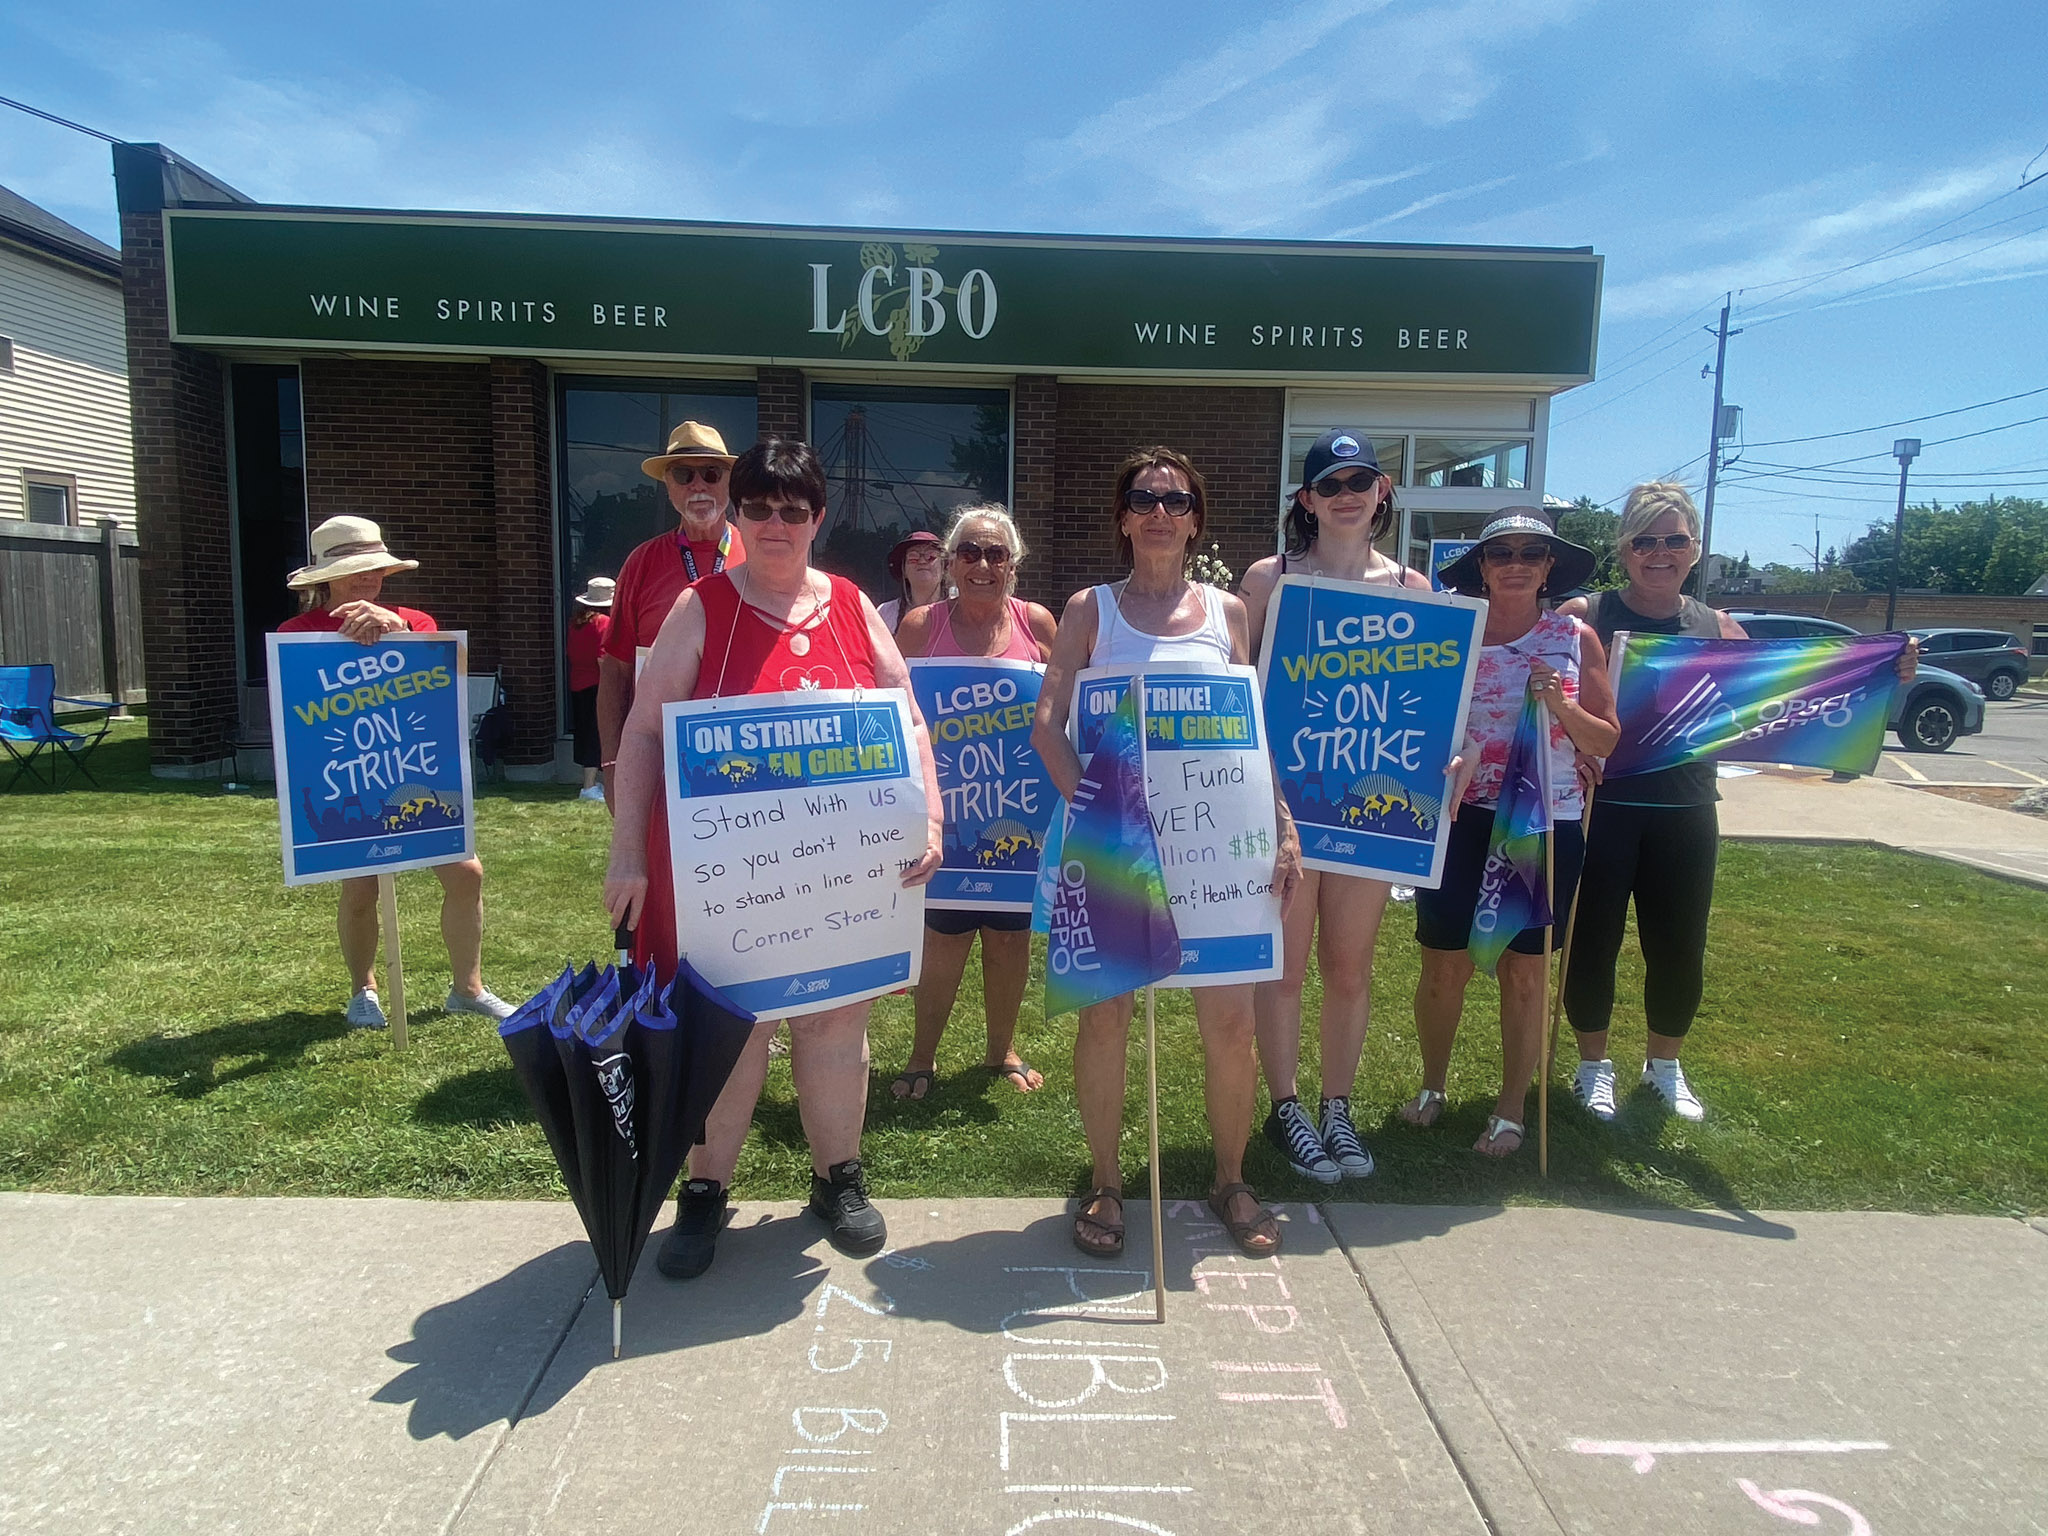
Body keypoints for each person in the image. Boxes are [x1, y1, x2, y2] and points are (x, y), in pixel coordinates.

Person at [602, 439, 944, 1276]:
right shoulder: (702, 607)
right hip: (728, 879)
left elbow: (908, 716)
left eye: (793, 511)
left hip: (838, 869)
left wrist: (931, 817)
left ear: (817, 518)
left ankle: (838, 1178)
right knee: (731, 1027)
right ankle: (705, 1189)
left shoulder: (851, 606)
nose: (774, 525)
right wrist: (627, 850)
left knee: (835, 1022)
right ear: (739, 514)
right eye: (757, 508)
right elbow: (643, 731)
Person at [1556, 482, 1916, 1123]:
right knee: (1592, 941)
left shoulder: (1721, 630)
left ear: (1695, 548)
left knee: (1679, 945)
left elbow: (1787, 695)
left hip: (1687, 810)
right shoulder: (1586, 615)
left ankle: (1664, 1067)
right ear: (1624, 548)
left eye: (1674, 540)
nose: (1660, 553)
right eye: (1645, 541)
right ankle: (1593, 1067)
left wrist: (1886, 669)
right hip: (1600, 808)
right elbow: (1542, 691)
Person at [1031, 446, 1303, 1260]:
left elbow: (1252, 737)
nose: (1159, 512)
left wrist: (1283, 824)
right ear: (1122, 518)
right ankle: (1107, 1180)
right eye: (1144, 499)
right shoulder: (1090, 610)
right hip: (1114, 847)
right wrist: (1094, 811)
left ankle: (1230, 1177)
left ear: (1195, 521)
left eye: (1176, 501)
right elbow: (1047, 727)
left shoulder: (1230, 614)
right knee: (1107, 1015)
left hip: (1217, 854)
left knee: (1230, 1020)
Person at [1239, 429, 1431, 1185]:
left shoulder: (1413, 588)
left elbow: (1430, 706)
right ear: (1307, 500)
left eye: (1360, 482)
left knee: (1350, 967)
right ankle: (1286, 1107)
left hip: (1369, 810)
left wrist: (1447, 758)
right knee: (1283, 968)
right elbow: (1239, 689)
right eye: (1331, 484)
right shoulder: (1271, 578)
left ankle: (1338, 1108)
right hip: (1286, 805)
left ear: (1382, 491)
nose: (1346, 495)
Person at [1405, 509, 1619, 1157]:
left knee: (1524, 971)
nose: (1517, 564)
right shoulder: (1453, 633)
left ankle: (1511, 1108)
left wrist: (1561, 704)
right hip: (1459, 817)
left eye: (1532, 553)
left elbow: (1605, 740)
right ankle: (1432, 1086)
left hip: (1541, 822)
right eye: (1502, 553)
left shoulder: (1575, 637)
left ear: (1550, 566)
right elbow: (1419, 719)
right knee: (1444, 965)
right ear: (1483, 566)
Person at [279, 515, 515, 1027]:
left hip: (413, 770)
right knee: (360, 886)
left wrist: (399, 631)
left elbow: (446, 675)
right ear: (326, 577)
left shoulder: (416, 620)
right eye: (355, 569)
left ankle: (468, 989)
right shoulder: (296, 635)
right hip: (350, 774)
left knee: (466, 873)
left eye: (376, 568)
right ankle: (363, 990)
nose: (368, 578)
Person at [888, 504, 1059, 1101]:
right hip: (948, 816)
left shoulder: (1037, 625)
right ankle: (922, 1057)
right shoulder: (919, 627)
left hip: (1019, 812)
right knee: (944, 936)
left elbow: (1064, 704)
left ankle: (1001, 1050)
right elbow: (890, 713)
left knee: (1011, 938)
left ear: (1013, 564)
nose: (982, 565)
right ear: (950, 562)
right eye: (969, 552)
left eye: (996, 554)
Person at [597, 421, 745, 810]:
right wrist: (612, 764)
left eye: (711, 473)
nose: (698, 485)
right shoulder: (642, 563)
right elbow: (615, 670)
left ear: (729, 482)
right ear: (668, 484)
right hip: (659, 759)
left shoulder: (760, 556)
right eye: (683, 474)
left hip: (744, 757)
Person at [567, 576, 613, 801]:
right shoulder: (604, 623)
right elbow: (602, 659)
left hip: (577, 684)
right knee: (597, 734)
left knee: (585, 733)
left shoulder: (576, 624)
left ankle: (590, 783)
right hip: (597, 686)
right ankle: (589, 787)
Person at [877, 530, 946, 632]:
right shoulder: (885, 612)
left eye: (930, 556)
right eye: (913, 557)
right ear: (904, 570)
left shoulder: (960, 611)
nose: (922, 561)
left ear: (944, 568)